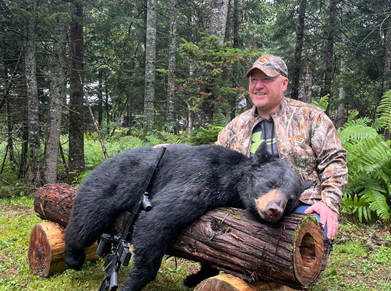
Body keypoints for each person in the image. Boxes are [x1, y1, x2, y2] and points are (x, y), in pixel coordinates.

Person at [183, 55, 348, 288]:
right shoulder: (236, 126)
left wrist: (329, 203)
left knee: (308, 237)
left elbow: (335, 160)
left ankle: (282, 278)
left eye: (266, 79)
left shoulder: (311, 117)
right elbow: (211, 164)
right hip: (246, 203)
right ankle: (212, 266)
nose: (258, 85)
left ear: (284, 84)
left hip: (300, 204)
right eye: (253, 80)